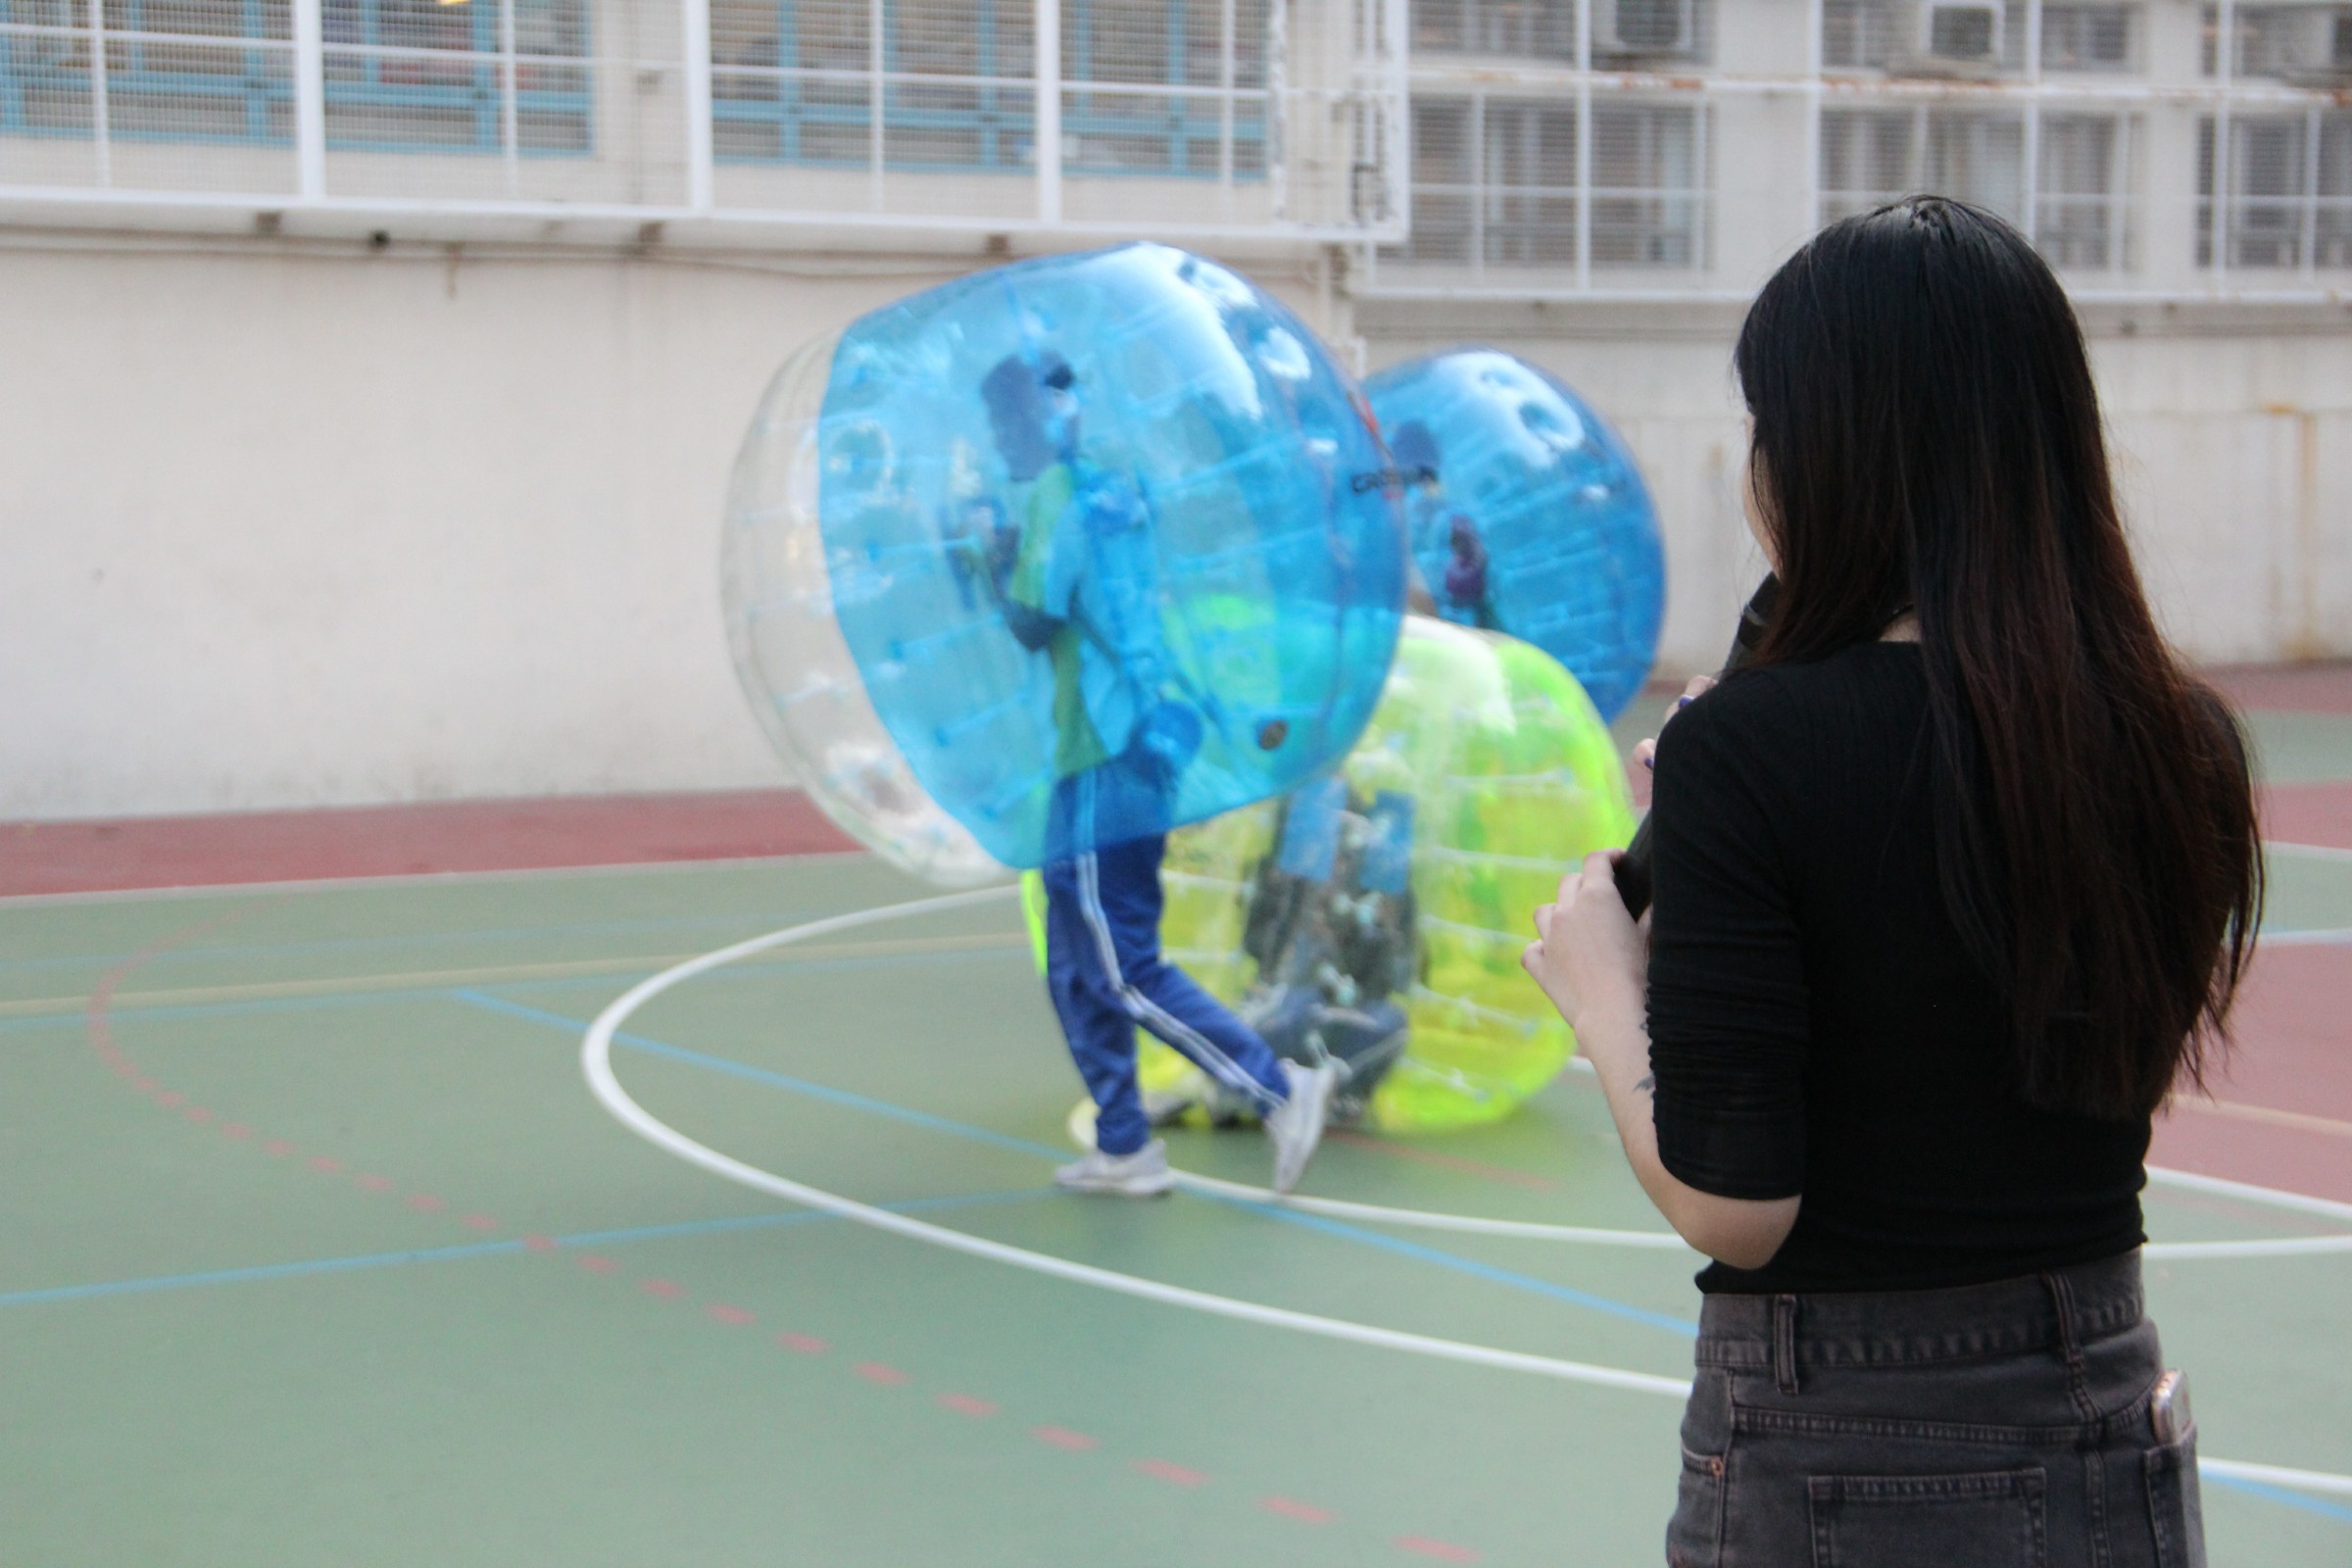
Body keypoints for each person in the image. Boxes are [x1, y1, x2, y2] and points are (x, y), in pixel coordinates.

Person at [1520, 198, 2258, 1565]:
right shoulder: (2180, 742)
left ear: (1823, 455)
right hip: (2111, 1417)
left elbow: (1738, 1207)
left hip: (1841, 1442)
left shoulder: (1753, 747)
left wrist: (1603, 983)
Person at [977, 349, 1339, 1198]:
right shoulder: (1112, 490)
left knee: (1116, 966)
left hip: (1108, 752)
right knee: (1077, 963)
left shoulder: (1062, 492)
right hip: (1113, 750)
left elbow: (1033, 619)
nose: (999, 442)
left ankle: (1277, 1086)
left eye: (1004, 422)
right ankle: (1123, 1145)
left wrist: (990, 558)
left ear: (1035, 417)